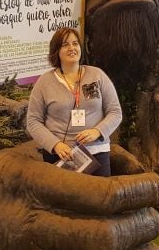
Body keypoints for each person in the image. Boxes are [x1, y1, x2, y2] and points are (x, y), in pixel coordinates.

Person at [26, 27, 122, 177]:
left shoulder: (97, 75)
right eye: (65, 45)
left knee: (98, 198)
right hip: (60, 155)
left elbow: (115, 112)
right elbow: (33, 121)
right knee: (61, 200)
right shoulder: (44, 82)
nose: (72, 48)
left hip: (96, 153)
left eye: (75, 43)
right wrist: (55, 144)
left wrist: (97, 131)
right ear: (56, 50)